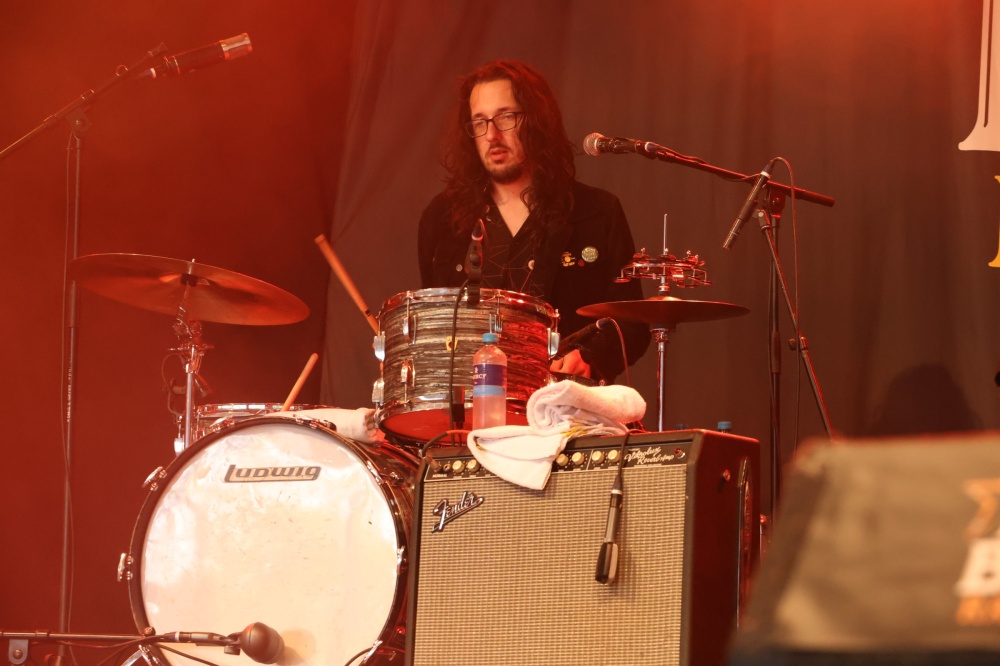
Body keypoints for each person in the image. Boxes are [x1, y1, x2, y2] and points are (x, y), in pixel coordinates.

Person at [417, 59, 649, 383]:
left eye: (506, 117)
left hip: (561, 405)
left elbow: (632, 323)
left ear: (538, 120)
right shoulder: (442, 219)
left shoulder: (597, 212)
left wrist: (590, 358)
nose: (492, 135)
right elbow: (435, 327)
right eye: (480, 122)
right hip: (470, 404)